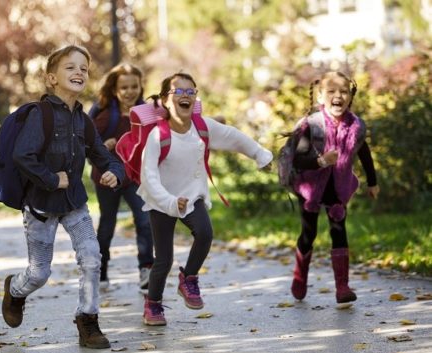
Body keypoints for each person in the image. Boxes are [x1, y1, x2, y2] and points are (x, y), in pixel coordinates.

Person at [0, 45, 125, 349]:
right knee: (39, 273)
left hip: (75, 204)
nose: (79, 72)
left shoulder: (83, 120)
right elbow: (22, 155)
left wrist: (114, 172)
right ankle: (15, 290)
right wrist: (51, 178)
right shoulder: (40, 114)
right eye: (70, 67)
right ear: (51, 78)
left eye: (83, 68)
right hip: (40, 207)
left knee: (92, 258)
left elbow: (102, 154)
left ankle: (88, 321)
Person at [137, 72, 273, 326]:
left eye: (191, 91)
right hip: (162, 201)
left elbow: (233, 137)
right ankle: (153, 304)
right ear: (166, 100)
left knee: (205, 233)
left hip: (192, 195)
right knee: (163, 260)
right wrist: (168, 201)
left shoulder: (203, 127)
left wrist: (259, 155)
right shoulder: (158, 136)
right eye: (179, 91)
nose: (186, 95)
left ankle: (189, 278)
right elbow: (149, 177)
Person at [289, 71, 379, 304]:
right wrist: (320, 161)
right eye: (331, 91)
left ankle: (342, 287)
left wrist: (372, 182)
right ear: (321, 97)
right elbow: (298, 160)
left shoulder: (355, 126)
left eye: (344, 91)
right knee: (309, 233)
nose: (338, 96)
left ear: (350, 96)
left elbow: (364, 152)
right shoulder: (313, 125)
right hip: (310, 186)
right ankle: (300, 276)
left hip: (338, 186)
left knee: (339, 230)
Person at [88, 63, 154, 290]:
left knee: (145, 220)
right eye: (124, 87)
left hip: (135, 176)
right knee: (107, 224)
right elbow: (89, 142)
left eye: (134, 86)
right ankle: (102, 270)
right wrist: (104, 146)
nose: (129, 91)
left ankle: (146, 268)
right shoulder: (106, 114)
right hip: (107, 176)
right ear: (115, 89)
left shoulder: (146, 112)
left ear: (140, 86)